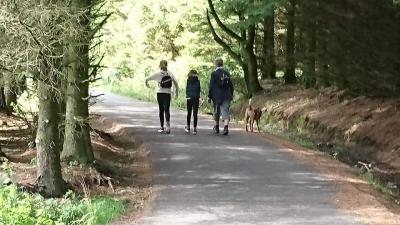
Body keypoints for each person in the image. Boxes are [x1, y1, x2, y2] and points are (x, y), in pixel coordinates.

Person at [145, 60, 179, 134]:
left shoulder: (157, 73)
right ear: (167, 65)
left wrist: (147, 84)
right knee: (167, 109)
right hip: (167, 93)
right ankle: (168, 126)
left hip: (160, 93)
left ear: (160, 65)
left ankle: (162, 127)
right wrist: (176, 93)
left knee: (161, 109)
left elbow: (147, 79)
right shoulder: (169, 73)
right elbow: (176, 83)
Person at [208, 58, 234, 135]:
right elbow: (231, 85)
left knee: (216, 111)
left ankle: (217, 127)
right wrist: (231, 94)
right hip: (226, 95)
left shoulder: (214, 74)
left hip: (216, 96)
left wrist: (209, 96)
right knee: (225, 111)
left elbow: (211, 86)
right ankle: (226, 128)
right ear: (222, 64)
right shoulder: (226, 73)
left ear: (215, 64)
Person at [185, 70, 201, 135]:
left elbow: (187, 89)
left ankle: (188, 127)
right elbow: (199, 89)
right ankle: (194, 129)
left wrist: (187, 96)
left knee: (189, 113)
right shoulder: (198, 81)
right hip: (196, 98)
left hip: (189, 98)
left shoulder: (188, 80)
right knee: (195, 113)